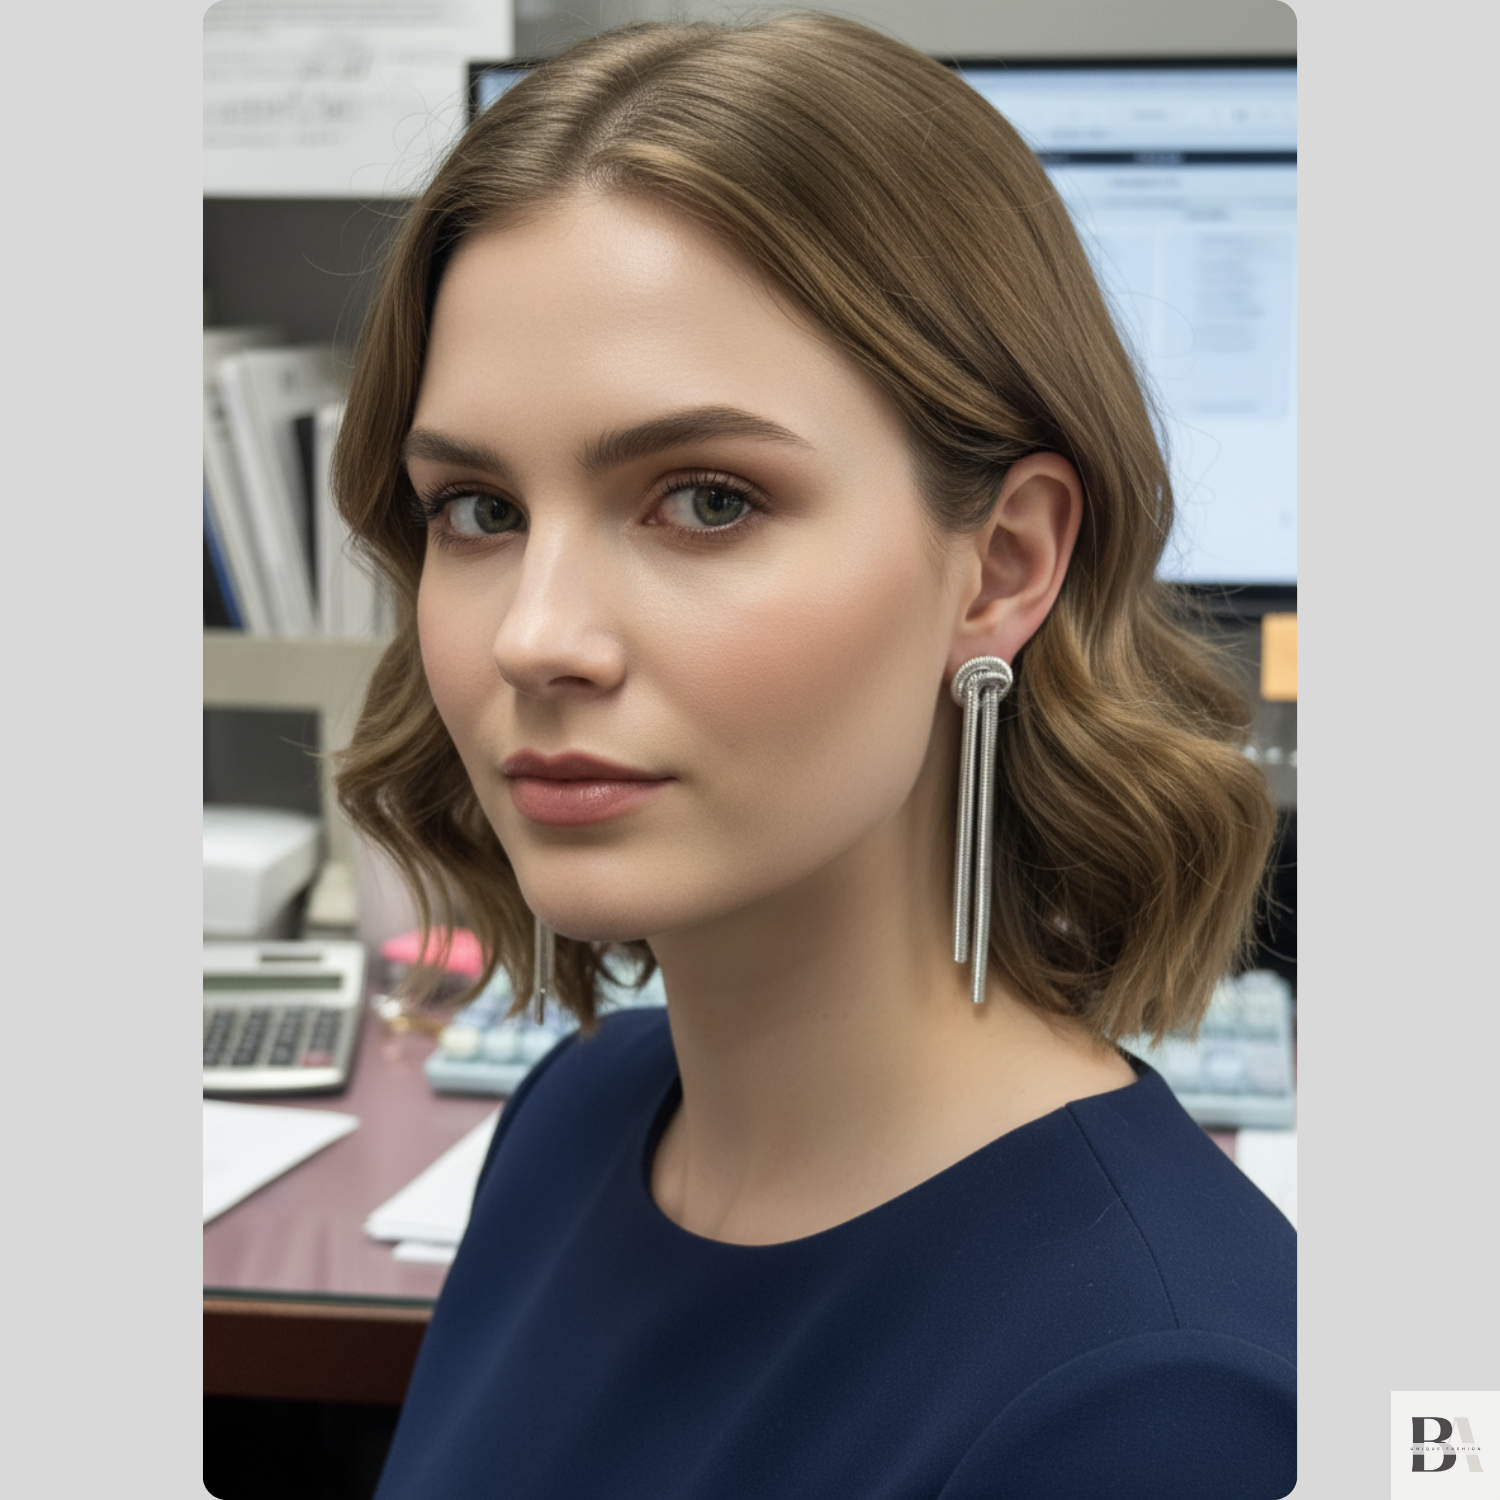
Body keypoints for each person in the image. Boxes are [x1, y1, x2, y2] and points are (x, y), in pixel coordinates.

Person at [333, 14, 1295, 1498]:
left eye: (707, 500)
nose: (534, 637)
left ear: (1002, 566)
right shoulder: (575, 1116)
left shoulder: (1163, 1408)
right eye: (480, 510)